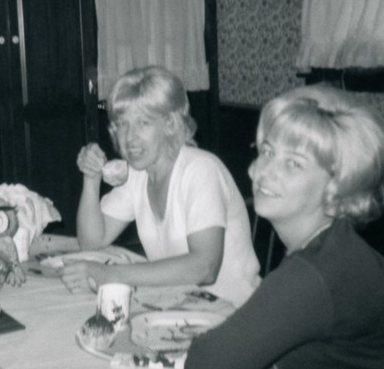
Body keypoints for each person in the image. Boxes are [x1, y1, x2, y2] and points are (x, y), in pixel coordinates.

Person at [184, 85, 384, 369]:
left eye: (293, 163)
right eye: (268, 151)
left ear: (338, 186)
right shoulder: (332, 242)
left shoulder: (315, 271)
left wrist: (257, 350)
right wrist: (271, 353)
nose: (265, 171)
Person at [61, 66, 261, 308]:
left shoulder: (200, 170)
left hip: (235, 316)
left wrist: (110, 274)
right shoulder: (138, 174)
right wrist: (91, 180)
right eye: (122, 124)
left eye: (143, 123)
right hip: (180, 309)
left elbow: (205, 267)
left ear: (169, 124)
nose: (129, 138)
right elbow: (91, 242)